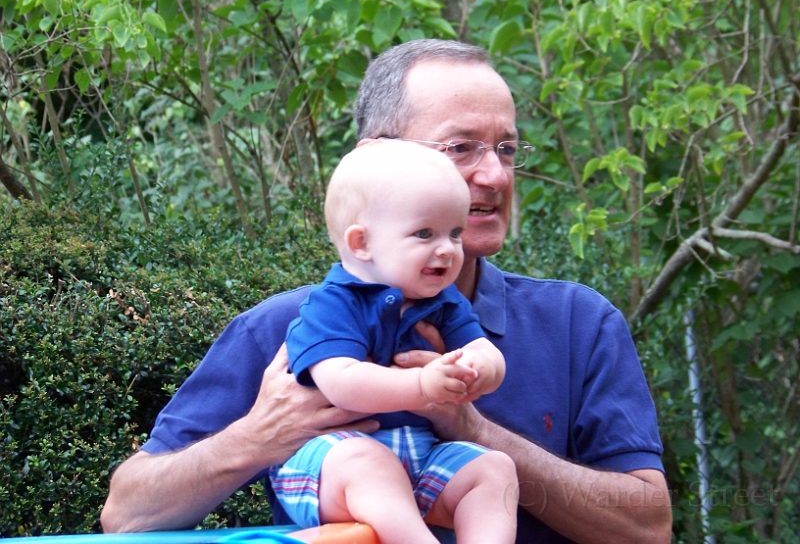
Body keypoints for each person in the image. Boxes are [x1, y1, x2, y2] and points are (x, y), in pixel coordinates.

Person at [101, 39, 673, 544]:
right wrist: (255, 437)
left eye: (505, 148)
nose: (496, 175)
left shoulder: (577, 323)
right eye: (461, 147)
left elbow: (648, 528)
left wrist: (476, 431)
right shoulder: (280, 329)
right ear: (376, 158)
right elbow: (126, 514)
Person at [270, 141, 516, 544]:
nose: (447, 249)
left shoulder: (442, 301)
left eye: (454, 233)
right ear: (361, 244)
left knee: (494, 468)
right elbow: (342, 383)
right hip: (332, 462)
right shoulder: (333, 304)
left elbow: (482, 349)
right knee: (367, 462)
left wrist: (481, 369)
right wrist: (421, 385)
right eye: (425, 233)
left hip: (419, 457)